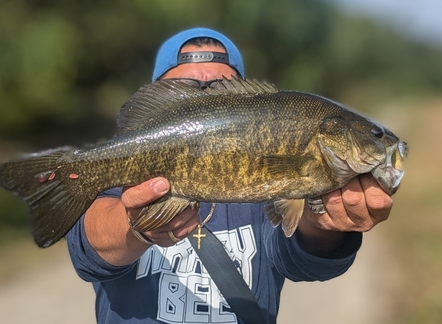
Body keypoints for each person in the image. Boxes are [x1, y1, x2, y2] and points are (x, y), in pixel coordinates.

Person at [67, 27, 392, 323]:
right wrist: (135, 226)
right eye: (188, 88)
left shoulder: (262, 191)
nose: (206, 94)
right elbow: (89, 253)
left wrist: (324, 226)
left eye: (220, 88)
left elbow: (297, 260)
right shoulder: (125, 169)